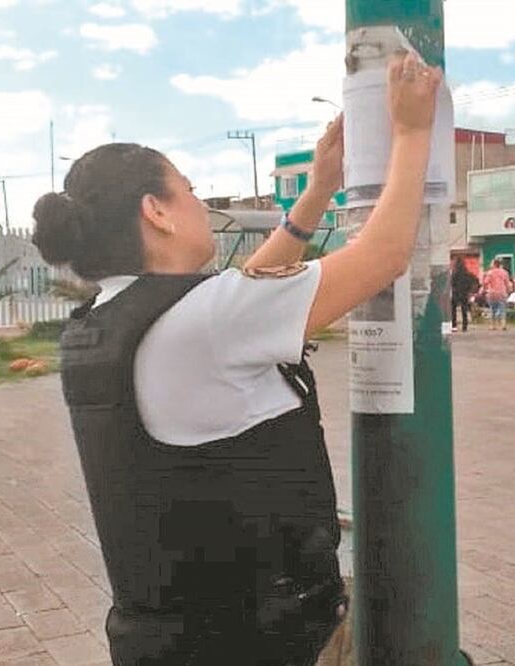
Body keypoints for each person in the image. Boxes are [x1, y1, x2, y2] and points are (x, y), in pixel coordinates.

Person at [31, 52, 442, 665]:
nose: (204, 207)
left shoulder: (104, 325)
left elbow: (245, 293)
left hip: (167, 636)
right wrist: (411, 134)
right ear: (156, 211)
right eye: (191, 192)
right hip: (256, 639)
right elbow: (383, 255)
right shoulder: (206, 321)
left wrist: (318, 192)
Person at [481, 259, 511, 330]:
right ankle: (503, 324)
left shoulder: (490, 273)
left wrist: (485, 289)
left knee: (492, 309)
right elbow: (507, 283)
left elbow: (485, 282)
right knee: (503, 308)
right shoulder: (504, 272)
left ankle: (493, 325)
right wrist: (508, 291)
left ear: (494, 264)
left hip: (492, 293)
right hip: (502, 292)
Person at [450, 256, 477, 332]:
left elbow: (452, 282)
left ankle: (454, 326)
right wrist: (469, 290)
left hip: (456, 292)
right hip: (464, 293)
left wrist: (454, 288)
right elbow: (473, 280)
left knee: (453, 309)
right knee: (464, 309)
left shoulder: (454, 273)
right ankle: (464, 326)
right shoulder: (467, 273)